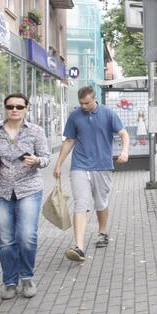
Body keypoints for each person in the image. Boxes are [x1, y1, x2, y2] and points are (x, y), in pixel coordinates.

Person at [0, 93, 50, 300]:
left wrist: (37, 161)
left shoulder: (36, 131)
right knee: (6, 240)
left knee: (26, 236)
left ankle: (26, 277)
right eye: (10, 107)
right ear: (5, 109)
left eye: (19, 106)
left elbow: (46, 157)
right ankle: (10, 281)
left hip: (29, 189)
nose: (14, 110)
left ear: (26, 108)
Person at [53, 86, 129, 263]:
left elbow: (123, 134)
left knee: (100, 203)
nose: (84, 106)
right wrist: (58, 164)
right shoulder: (75, 116)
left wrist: (124, 152)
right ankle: (79, 247)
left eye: (87, 103)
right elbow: (69, 141)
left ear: (95, 99)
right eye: (81, 103)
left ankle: (102, 232)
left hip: (102, 166)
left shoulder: (108, 114)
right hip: (79, 166)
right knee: (81, 203)